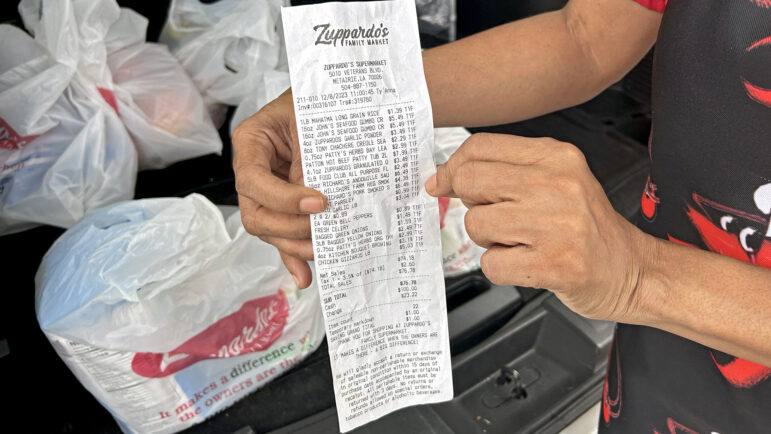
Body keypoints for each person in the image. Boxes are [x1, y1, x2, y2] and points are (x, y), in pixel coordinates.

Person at [231, 0, 771, 431]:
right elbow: (584, 39)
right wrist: (337, 103)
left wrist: (638, 275)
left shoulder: (636, 277)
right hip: (662, 347)